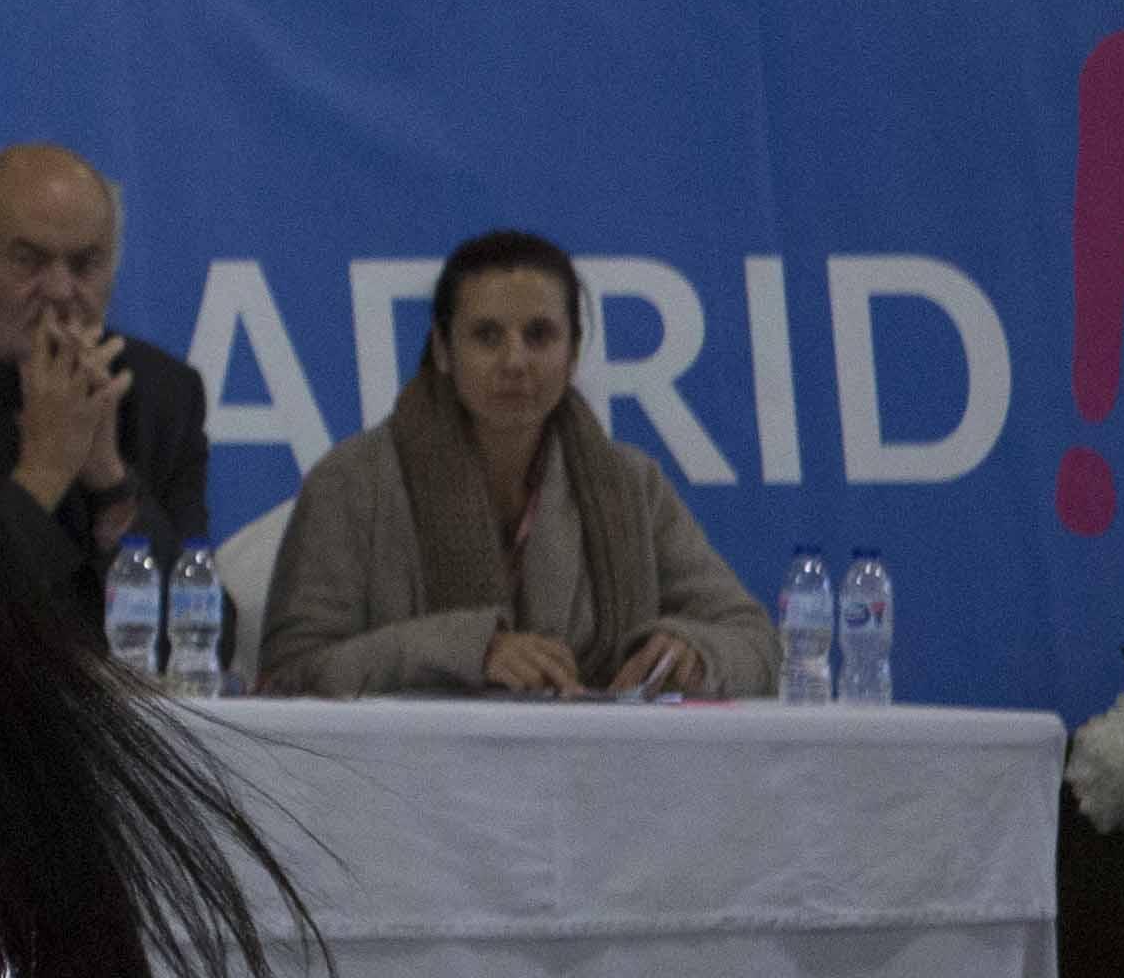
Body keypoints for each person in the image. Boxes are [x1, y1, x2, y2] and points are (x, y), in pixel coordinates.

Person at [259, 228, 776, 699]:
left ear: (574, 352)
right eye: (487, 336)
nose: (515, 362)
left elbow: (757, 644)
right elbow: (287, 677)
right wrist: (470, 651)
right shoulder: (351, 484)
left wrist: (693, 652)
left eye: (540, 335)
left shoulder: (631, 485)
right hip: (402, 783)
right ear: (443, 350)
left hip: (594, 780)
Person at [0, 139, 210, 640]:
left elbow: (200, 637)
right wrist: (45, 470)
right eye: (27, 261)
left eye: (84, 265)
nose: (59, 290)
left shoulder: (161, 396)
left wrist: (110, 481)